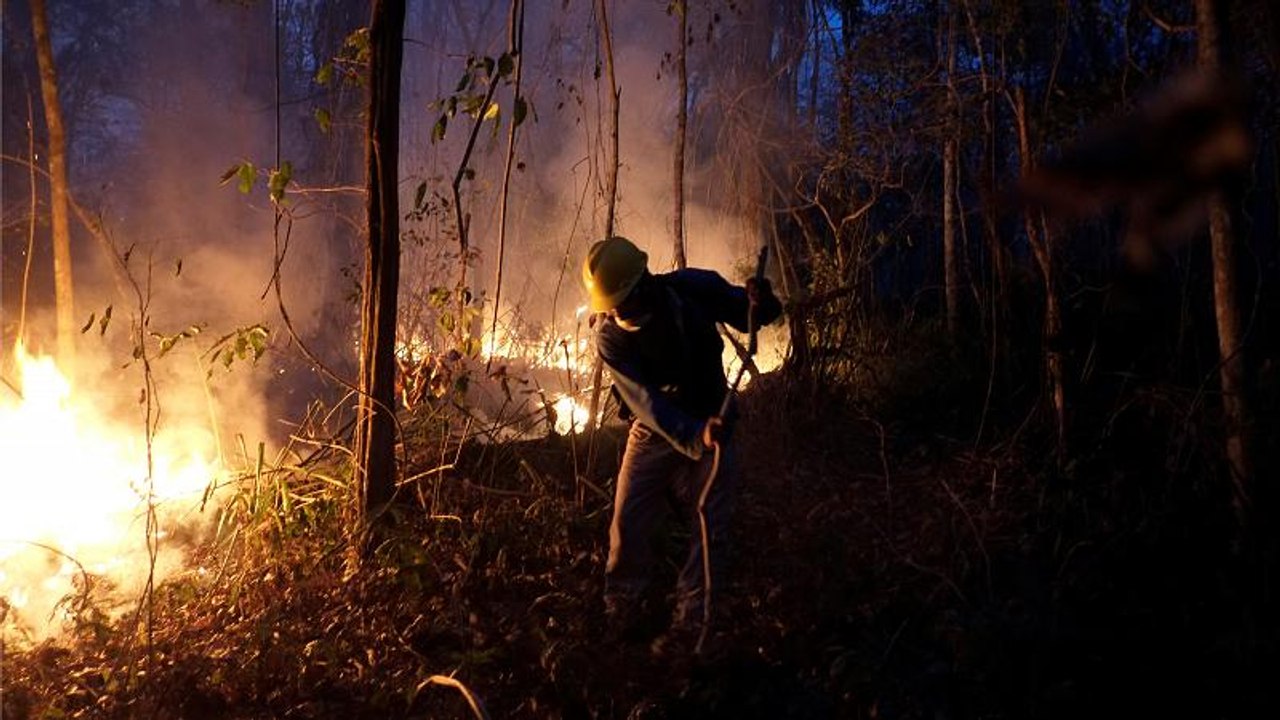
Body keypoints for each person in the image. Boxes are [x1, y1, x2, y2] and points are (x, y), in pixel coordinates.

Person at [580, 235, 782, 655]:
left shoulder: (692, 289)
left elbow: (755, 316)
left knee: (710, 519)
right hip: (655, 430)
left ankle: (693, 621)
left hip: (714, 419)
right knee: (627, 517)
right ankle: (623, 604)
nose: (617, 313)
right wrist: (693, 435)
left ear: (644, 284)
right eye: (610, 307)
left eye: (622, 302)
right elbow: (646, 404)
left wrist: (760, 300)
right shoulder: (611, 338)